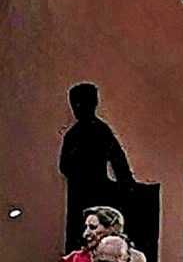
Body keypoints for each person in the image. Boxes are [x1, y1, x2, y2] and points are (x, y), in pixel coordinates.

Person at [55, 84, 136, 249]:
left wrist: (128, 185)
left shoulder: (100, 131)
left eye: (81, 104)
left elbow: (118, 160)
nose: (77, 109)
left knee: (97, 234)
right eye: (75, 104)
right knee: (79, 236)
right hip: (79, 193)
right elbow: (64, 166)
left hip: (97, 191)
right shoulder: (73, 135)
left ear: (93, 104)